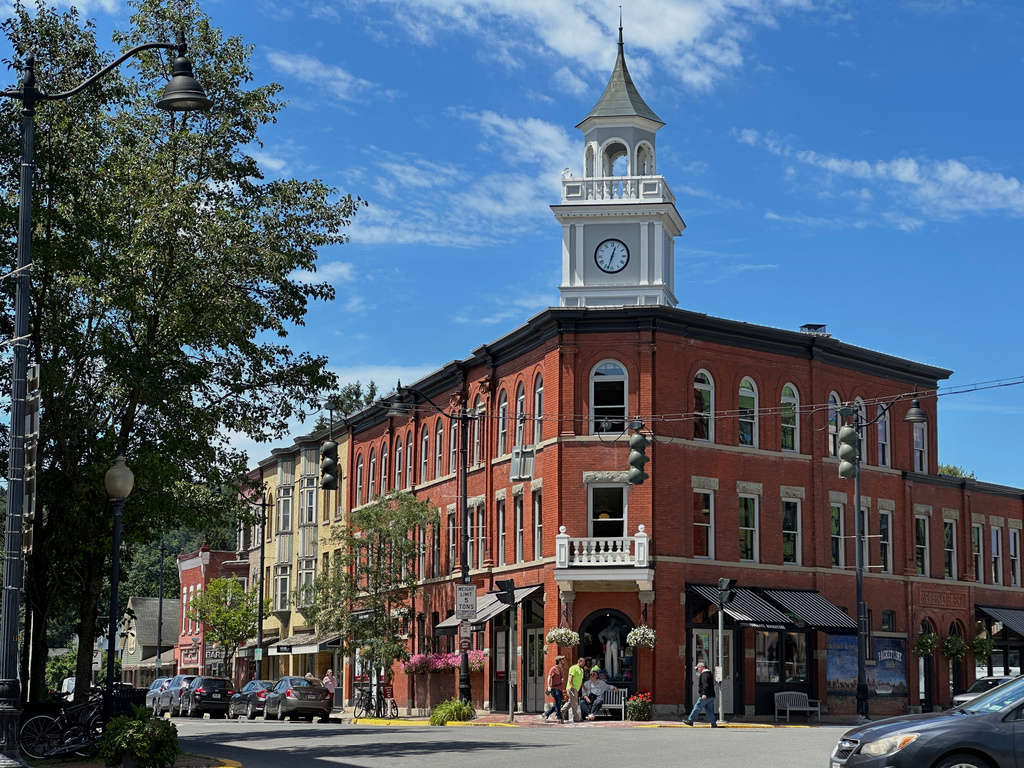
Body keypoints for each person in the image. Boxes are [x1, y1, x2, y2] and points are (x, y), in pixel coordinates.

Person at [684, 661, 717, 727]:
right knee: (709, 710)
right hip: (711, 696)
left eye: (697, 668)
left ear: (701, 668)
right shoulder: (709, 674)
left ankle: (690, 720)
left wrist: (703, 694)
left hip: (706, 696)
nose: (697, 670)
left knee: (697, 707)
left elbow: (705, 685)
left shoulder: (704, 675)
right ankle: (713, 724)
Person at [541, 655, 566, 723]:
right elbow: (549, 677)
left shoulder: (560, 669)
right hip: (555, 688)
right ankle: (559, 717)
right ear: (559, 661)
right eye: (562, 659)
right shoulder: (553, 669)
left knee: (557, 703)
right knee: (558, 702)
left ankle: (546, 714)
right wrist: (549, 686)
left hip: (560, 688)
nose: (563, 661)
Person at [561, 657, 585, 723]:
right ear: (579, 662)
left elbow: (580, 679)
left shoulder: (581, 670)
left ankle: (560, 713)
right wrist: (571, 686)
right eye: (583, 663)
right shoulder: (573, 668)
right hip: (572, 688)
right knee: (574, 703)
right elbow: (570, 677)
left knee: (570, 702)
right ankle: (576, 718)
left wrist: (583, 686)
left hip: (576, 688)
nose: (584, 664)